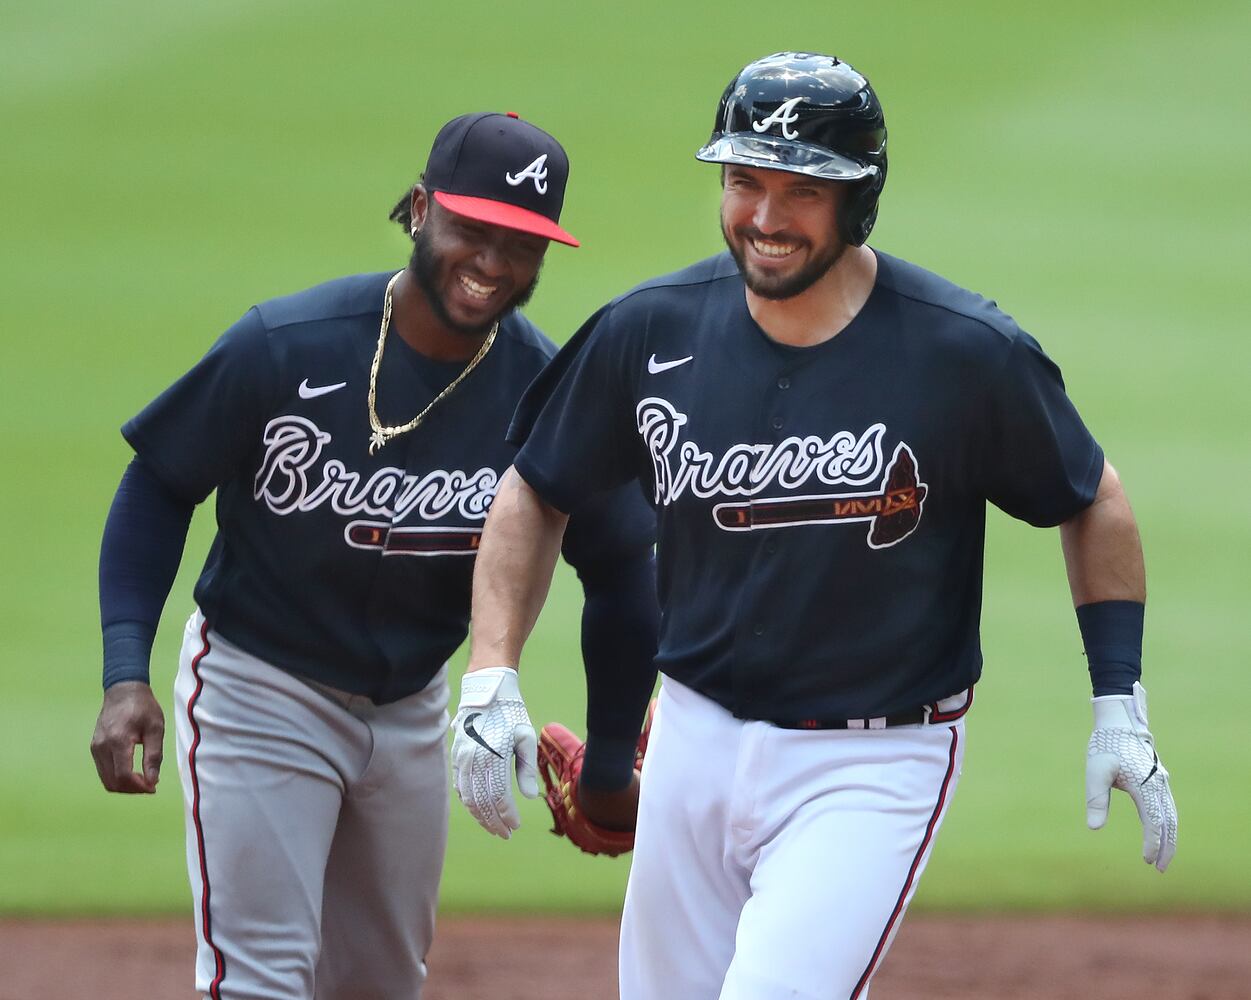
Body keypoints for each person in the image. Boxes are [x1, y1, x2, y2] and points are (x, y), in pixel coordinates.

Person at [453, 52, 1179, 1000]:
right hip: (692, 739)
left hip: (871, 762)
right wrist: (490, 672)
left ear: (858, 200)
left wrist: (1117, 700)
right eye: (743, 180)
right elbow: (534, 489)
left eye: (801, 189)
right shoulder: (651, 329)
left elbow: (1092, 498)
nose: (762, 216)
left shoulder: (961, 351)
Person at [89, 111, 658, 1000]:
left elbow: (625, 567)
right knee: (262, 978)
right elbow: (160, 483)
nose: (494, 262)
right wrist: (127, 670)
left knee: (379, 984)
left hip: (408, 709)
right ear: (421, 209)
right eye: (473, 229)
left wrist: (614, 766)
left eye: (522, 242)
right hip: (259, 689)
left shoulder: (543, 394)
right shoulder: (287, 345)